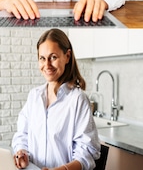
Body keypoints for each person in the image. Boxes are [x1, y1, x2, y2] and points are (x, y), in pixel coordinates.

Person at [13, 29, 100, 170]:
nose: (47, 65)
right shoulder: (34, 96)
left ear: (67, 56)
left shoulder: (78, 100)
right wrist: (21, 152)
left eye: (53, 57)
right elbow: (22, 134)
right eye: (42, 58)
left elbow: (86, 153)